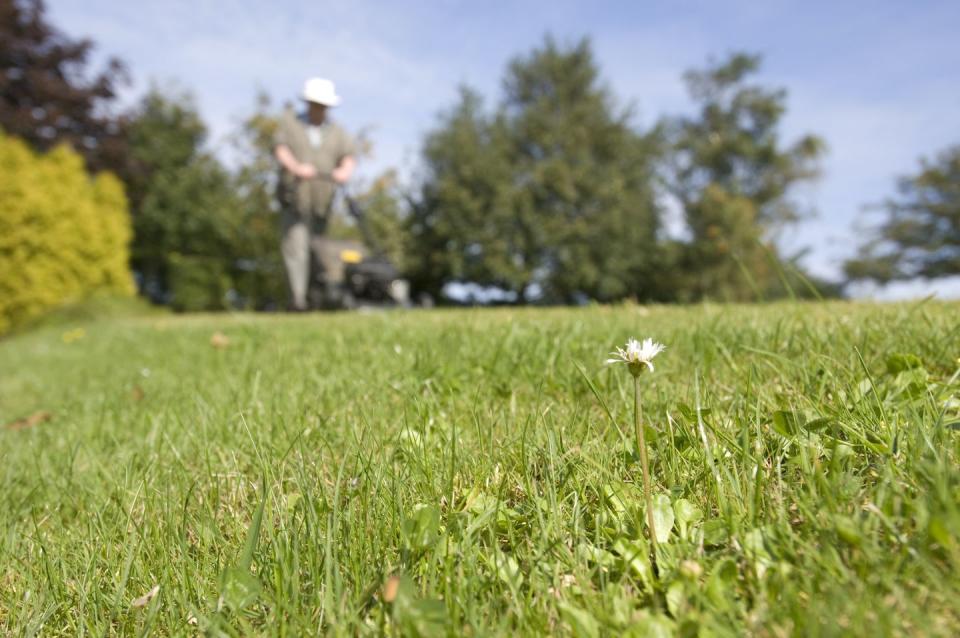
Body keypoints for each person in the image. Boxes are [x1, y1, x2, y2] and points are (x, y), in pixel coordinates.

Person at [274, 77, 356, 311]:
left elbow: (349, 157)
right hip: (295, 198)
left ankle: (315, 297)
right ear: (308, 103)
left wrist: (343, 171)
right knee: (296, 247)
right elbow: (280, 149)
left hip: (323, 202)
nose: (319, 109)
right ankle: (297, 300)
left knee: (318, 249)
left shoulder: (337, 132)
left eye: (323, 105)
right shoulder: (291, 124)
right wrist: (296, 168)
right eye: (315, 104)